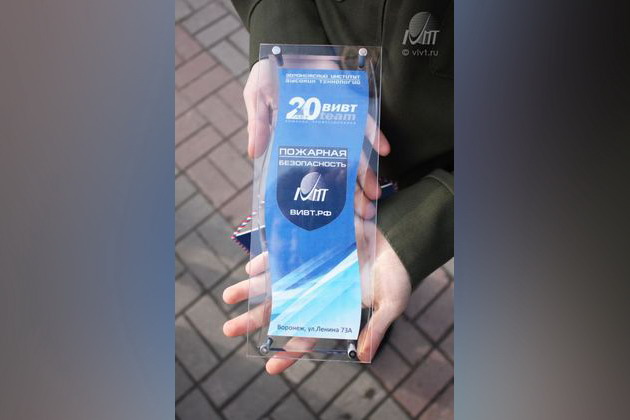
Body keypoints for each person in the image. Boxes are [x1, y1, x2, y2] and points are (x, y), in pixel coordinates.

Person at [222, 0, 453, 375]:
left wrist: (421, 229)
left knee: (375, 265)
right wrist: (290, 41)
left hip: (433, 161)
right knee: (317, 240)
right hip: (322, 100)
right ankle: (352, 308)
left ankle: (360, 304)